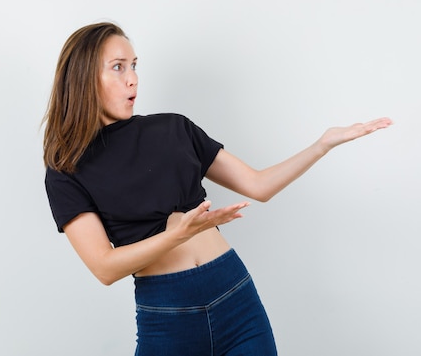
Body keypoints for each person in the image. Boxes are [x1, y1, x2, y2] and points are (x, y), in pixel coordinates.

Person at [43, 22, 392, 356]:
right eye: (118, 67)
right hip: (167, 318)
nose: (133, 79)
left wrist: (322, 145)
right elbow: (104, 267)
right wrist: (175, 236)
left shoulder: (173, 128)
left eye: (134, 66)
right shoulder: (65, 170)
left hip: (236, 299)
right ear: (84, 77)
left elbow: (258, 185)